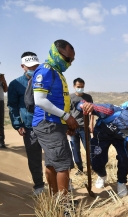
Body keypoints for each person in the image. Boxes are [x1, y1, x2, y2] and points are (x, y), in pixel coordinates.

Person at [32, 40, 79, 195]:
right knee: (63, 165)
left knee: (52, 164)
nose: (70, 63)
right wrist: (66, 116)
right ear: (56, 53)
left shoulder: (56, 72)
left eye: (72, 60)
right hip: (48, 123)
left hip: (55, 123)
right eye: (67, 59)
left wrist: (66, 121)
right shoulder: (45, 71)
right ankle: (64, 206)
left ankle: (55, 202)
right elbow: (40, 100)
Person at [8, 52, 45, 195]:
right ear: (22, 66)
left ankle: (62, 183)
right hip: (30, 127)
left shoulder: (45, 80)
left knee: (54, 155)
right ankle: (39, 186)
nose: (33, 69)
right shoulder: (15, 84)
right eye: (29, 67)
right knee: (34, 158)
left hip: (48, 125)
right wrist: (18, 124)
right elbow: (12, 106)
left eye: (36, 66)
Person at [69, 77, 94, 175]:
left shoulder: (88, 97)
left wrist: (91, 124)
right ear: (74, 86)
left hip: (84, 127)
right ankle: (80, 169)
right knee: (75, 149)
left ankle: (91, 167)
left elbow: (93, 111)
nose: (80, 88)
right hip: (73, 127)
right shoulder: (70, 97)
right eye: (78, 87)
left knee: (88, 148)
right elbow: (67, 112)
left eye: (82, 87)